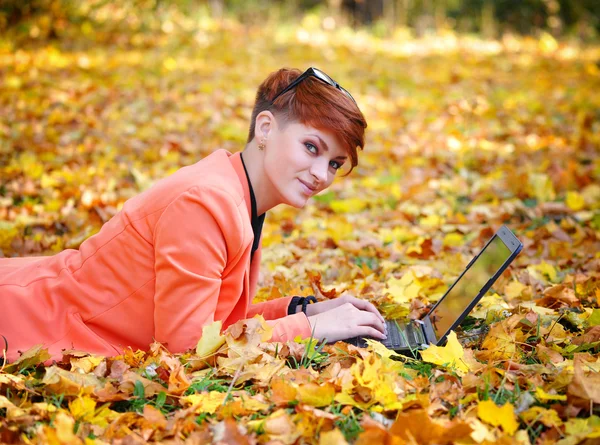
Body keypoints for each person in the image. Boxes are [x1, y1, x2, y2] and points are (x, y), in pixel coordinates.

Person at [0, 67, 387, 363]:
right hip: (28, 320)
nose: (321, 175)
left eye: (335, 164)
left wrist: (301, 309)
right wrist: (310, 328)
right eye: (311, 147)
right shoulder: (205, 203)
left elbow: (211, 322)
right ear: (265, 128)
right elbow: (187, 347)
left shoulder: (239, 192)